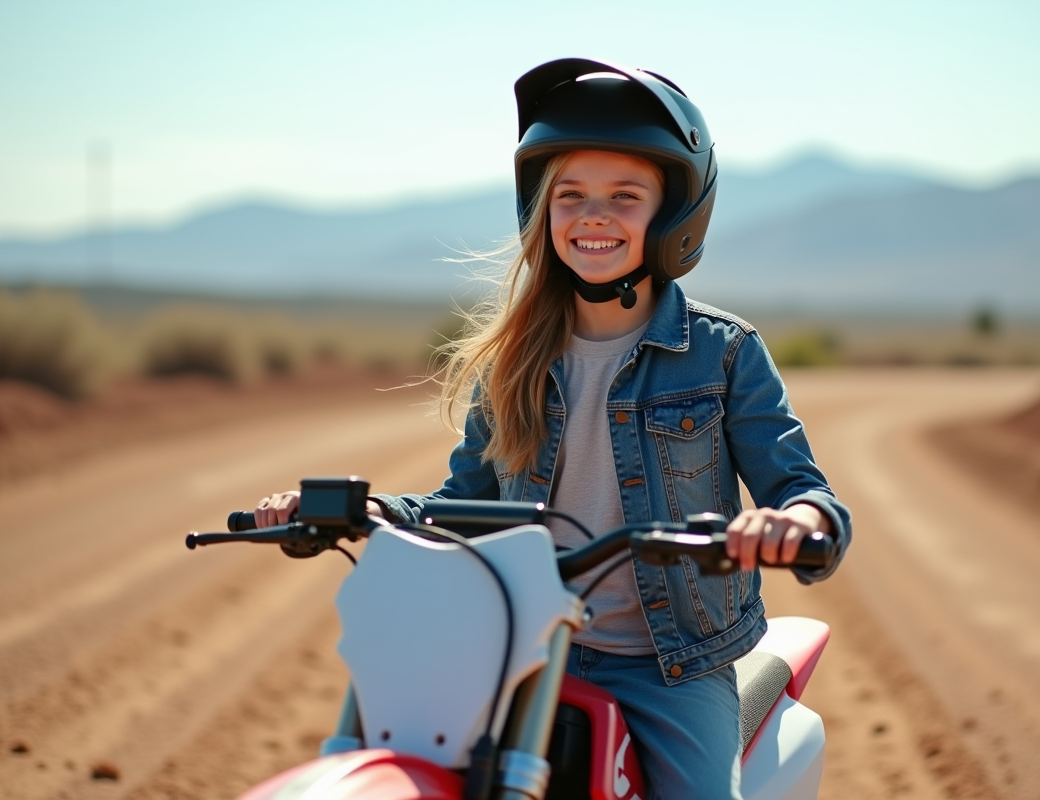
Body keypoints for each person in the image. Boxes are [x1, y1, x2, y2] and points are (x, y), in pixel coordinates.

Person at [255, 58, 851, 800]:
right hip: (520, 646)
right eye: (570, 195)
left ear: (674, 217)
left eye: (625, 197)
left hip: (667, 667)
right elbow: (462, 500)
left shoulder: (723, 353)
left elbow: (803, 487)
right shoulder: (514, 361)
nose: (593, 215)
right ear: (542, 211)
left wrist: (794, 522)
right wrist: (364, 511)